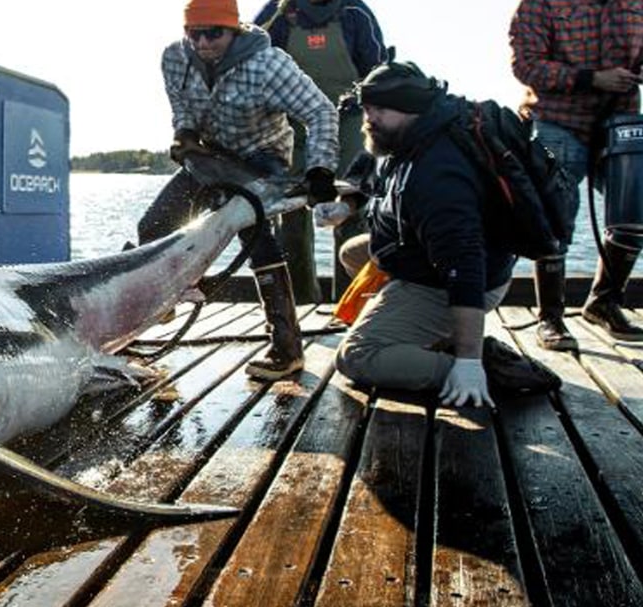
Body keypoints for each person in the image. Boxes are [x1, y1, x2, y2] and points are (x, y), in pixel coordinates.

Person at [140, 0, 339, 380]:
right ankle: (158, 303)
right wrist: (184, 133)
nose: (202, 42)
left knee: (256, 237)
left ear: (234, 29)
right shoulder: (174, 58)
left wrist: (320, 169)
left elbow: (320, 111)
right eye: (193, 33)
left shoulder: (269, 65)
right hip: (210, 152)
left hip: (261, 156)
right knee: (153, 226)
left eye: (213, 33)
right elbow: (181, 106)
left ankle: (286, 348)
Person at [333, 61, 519, 406]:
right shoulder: (408, 135)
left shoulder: (438, 176)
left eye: (381, 109)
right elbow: (374, 174)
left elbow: (465, 269)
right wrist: (346, 206)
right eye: (367, 108)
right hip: (419, 257)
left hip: (456, 281)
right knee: (353, 253)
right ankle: (423, 333)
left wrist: (468, 363)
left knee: (357, 355)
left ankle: (482, 368)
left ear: (411, 108)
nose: (369, 117)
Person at [510, 0, 643, 349]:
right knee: (554, 219)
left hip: (621, 122)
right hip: (557, 122)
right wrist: (593, 79)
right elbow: (526, 66)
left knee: (636, 212)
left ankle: (604, 302)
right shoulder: (539, 4)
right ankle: (550, 318)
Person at [253, 0, 389, 302]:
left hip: (351, 120)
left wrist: (369, 105)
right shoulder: (275, 13)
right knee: (290, 210)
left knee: (353, 205)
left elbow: (379, 68)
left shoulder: (356, 12)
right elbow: (250, 59)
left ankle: (351, 301)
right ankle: (299, 300)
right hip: (291, 124)